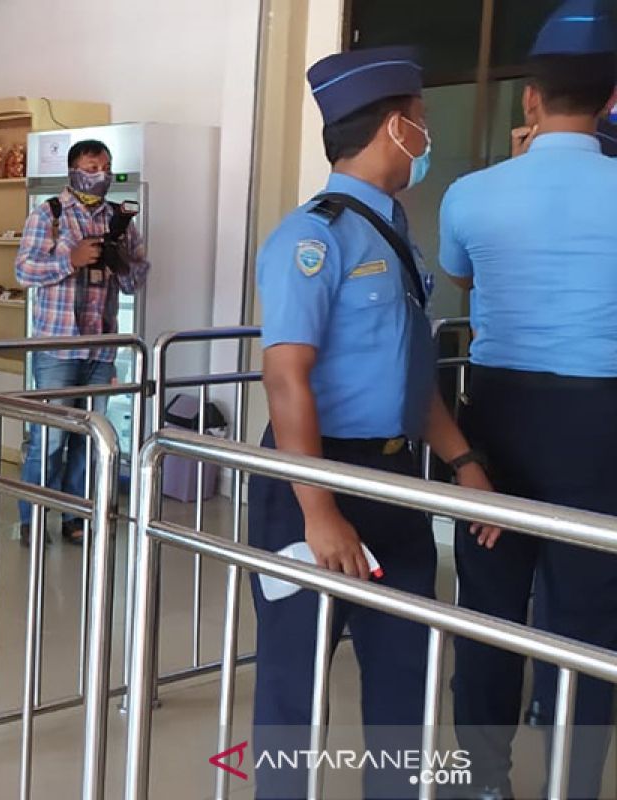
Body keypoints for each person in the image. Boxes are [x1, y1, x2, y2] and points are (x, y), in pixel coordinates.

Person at [249, 46, 499, 799]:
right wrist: (318, 507)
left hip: (395, 481)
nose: (427, 134)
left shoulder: (395, 238)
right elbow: (286, 376)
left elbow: (411, 377)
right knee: (295, 685)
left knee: (406, 675)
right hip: (311, 480)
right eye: (421, 120)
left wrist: (463, 463)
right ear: (397, 128)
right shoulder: (310, 237)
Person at [439, 2, 617, 796]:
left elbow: (463, 277)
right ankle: (574, 786)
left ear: (529, 99)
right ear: (611, 99)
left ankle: (482, 779)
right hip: (603, 423)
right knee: (592, 617)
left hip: (498, 417)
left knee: (489, 608)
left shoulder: (472, 194)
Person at [14, 139, 149, 546]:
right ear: (73, 170)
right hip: (57, 348)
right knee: (50, 438)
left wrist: (120, 261)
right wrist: (69, 260)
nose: (101, 174)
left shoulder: (118, 220)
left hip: (101, 348)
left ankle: (77, 516)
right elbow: (23, 271)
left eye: (106, 166)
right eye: (92, 166)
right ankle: (33, 518)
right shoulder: (49, 215)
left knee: (90, 440)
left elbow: (137, 279)